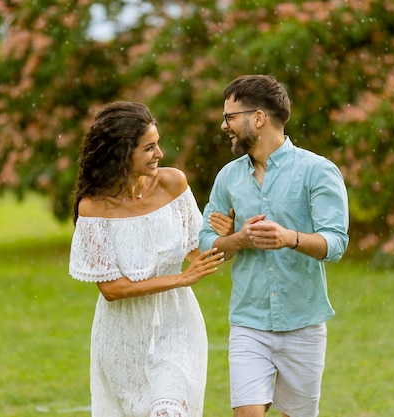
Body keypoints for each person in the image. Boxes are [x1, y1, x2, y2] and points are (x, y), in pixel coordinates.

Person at [199, 75, 350, 417]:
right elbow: (205, 242)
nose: (224, 126)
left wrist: (289, 238)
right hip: (249, 324)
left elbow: (336, 242)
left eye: (230, 117)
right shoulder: (228, 178)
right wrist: (238, 239)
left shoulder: (318, 171)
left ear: (258, 118)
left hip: (304, 324)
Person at [68, 101, 225, 417]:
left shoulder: (172, 183)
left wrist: (229, 236)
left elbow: (197, 251)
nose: (160, 154)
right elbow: (112, 290)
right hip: (122, 338)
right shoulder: (93, 207)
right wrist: (181, 278)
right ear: (122, 153)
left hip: (177, 325)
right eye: (149, 148)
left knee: (170, 410)